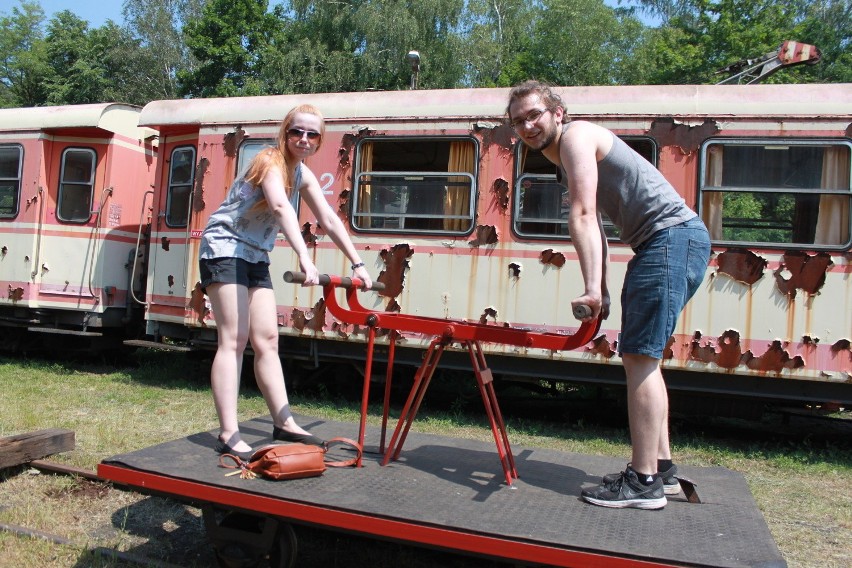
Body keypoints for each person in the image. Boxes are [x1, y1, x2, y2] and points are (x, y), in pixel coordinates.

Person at [506, 81, 710, 509]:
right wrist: (597, 286)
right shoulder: (560, 153)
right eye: (518, 120)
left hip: (669, 240)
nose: (527, 125)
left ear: (557, 112)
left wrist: (590, 288)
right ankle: (663, 470)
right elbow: (596, 220)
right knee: (645, 358)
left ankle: (643, 483)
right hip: (669, 242)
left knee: (639, 357)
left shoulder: (577, 137)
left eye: (534, 114)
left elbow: (580, 214)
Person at [199, 104, 373, 461]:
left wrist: (358, 265)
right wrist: (305, 258)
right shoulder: (269, 160)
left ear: (319, 140)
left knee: (267, 338)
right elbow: (280, 207)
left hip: (254, 255)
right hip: (224, 248)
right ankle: (229, 433)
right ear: (285, 132)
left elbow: (327, 217)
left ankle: (284, 421)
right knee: (234, 339)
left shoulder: (302, 173)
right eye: (297, 132)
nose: (304, 139)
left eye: (312, 134)